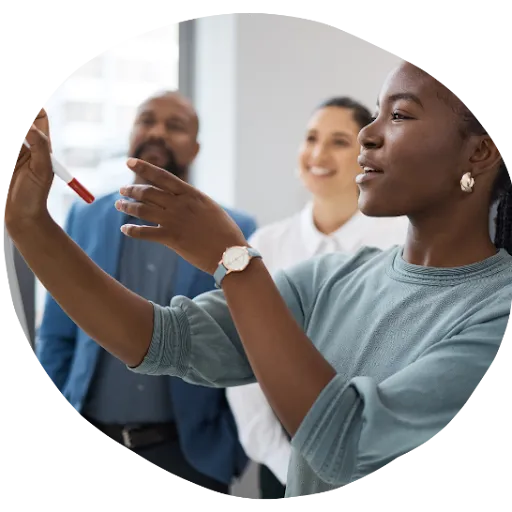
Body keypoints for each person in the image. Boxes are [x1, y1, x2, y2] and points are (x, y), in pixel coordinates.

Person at [6, 60, 511, 498]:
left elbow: (345, 443)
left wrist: (234, 261)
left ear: (480, 153)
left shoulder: (498, 311)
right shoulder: (333, 278)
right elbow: (163, 340)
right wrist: (29, 223)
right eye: (376, 112)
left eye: (398, 115)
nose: (367, 134)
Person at [33, 91, 256, 497]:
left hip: (190, 457)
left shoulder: (235, 228)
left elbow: (249, 344)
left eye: (175, 126)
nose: (157, 132)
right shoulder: (85, 216)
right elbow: (56, 333)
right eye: (147, 120)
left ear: (196, 148)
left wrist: (230, 451)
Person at [225, 96, 409, 500]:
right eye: (311, 138)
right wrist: (284, 462)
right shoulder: (264, 246)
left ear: (369, 153)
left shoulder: (403, 244)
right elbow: (243, 361)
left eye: (339, 141)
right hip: (283, 464)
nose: (318, 154)